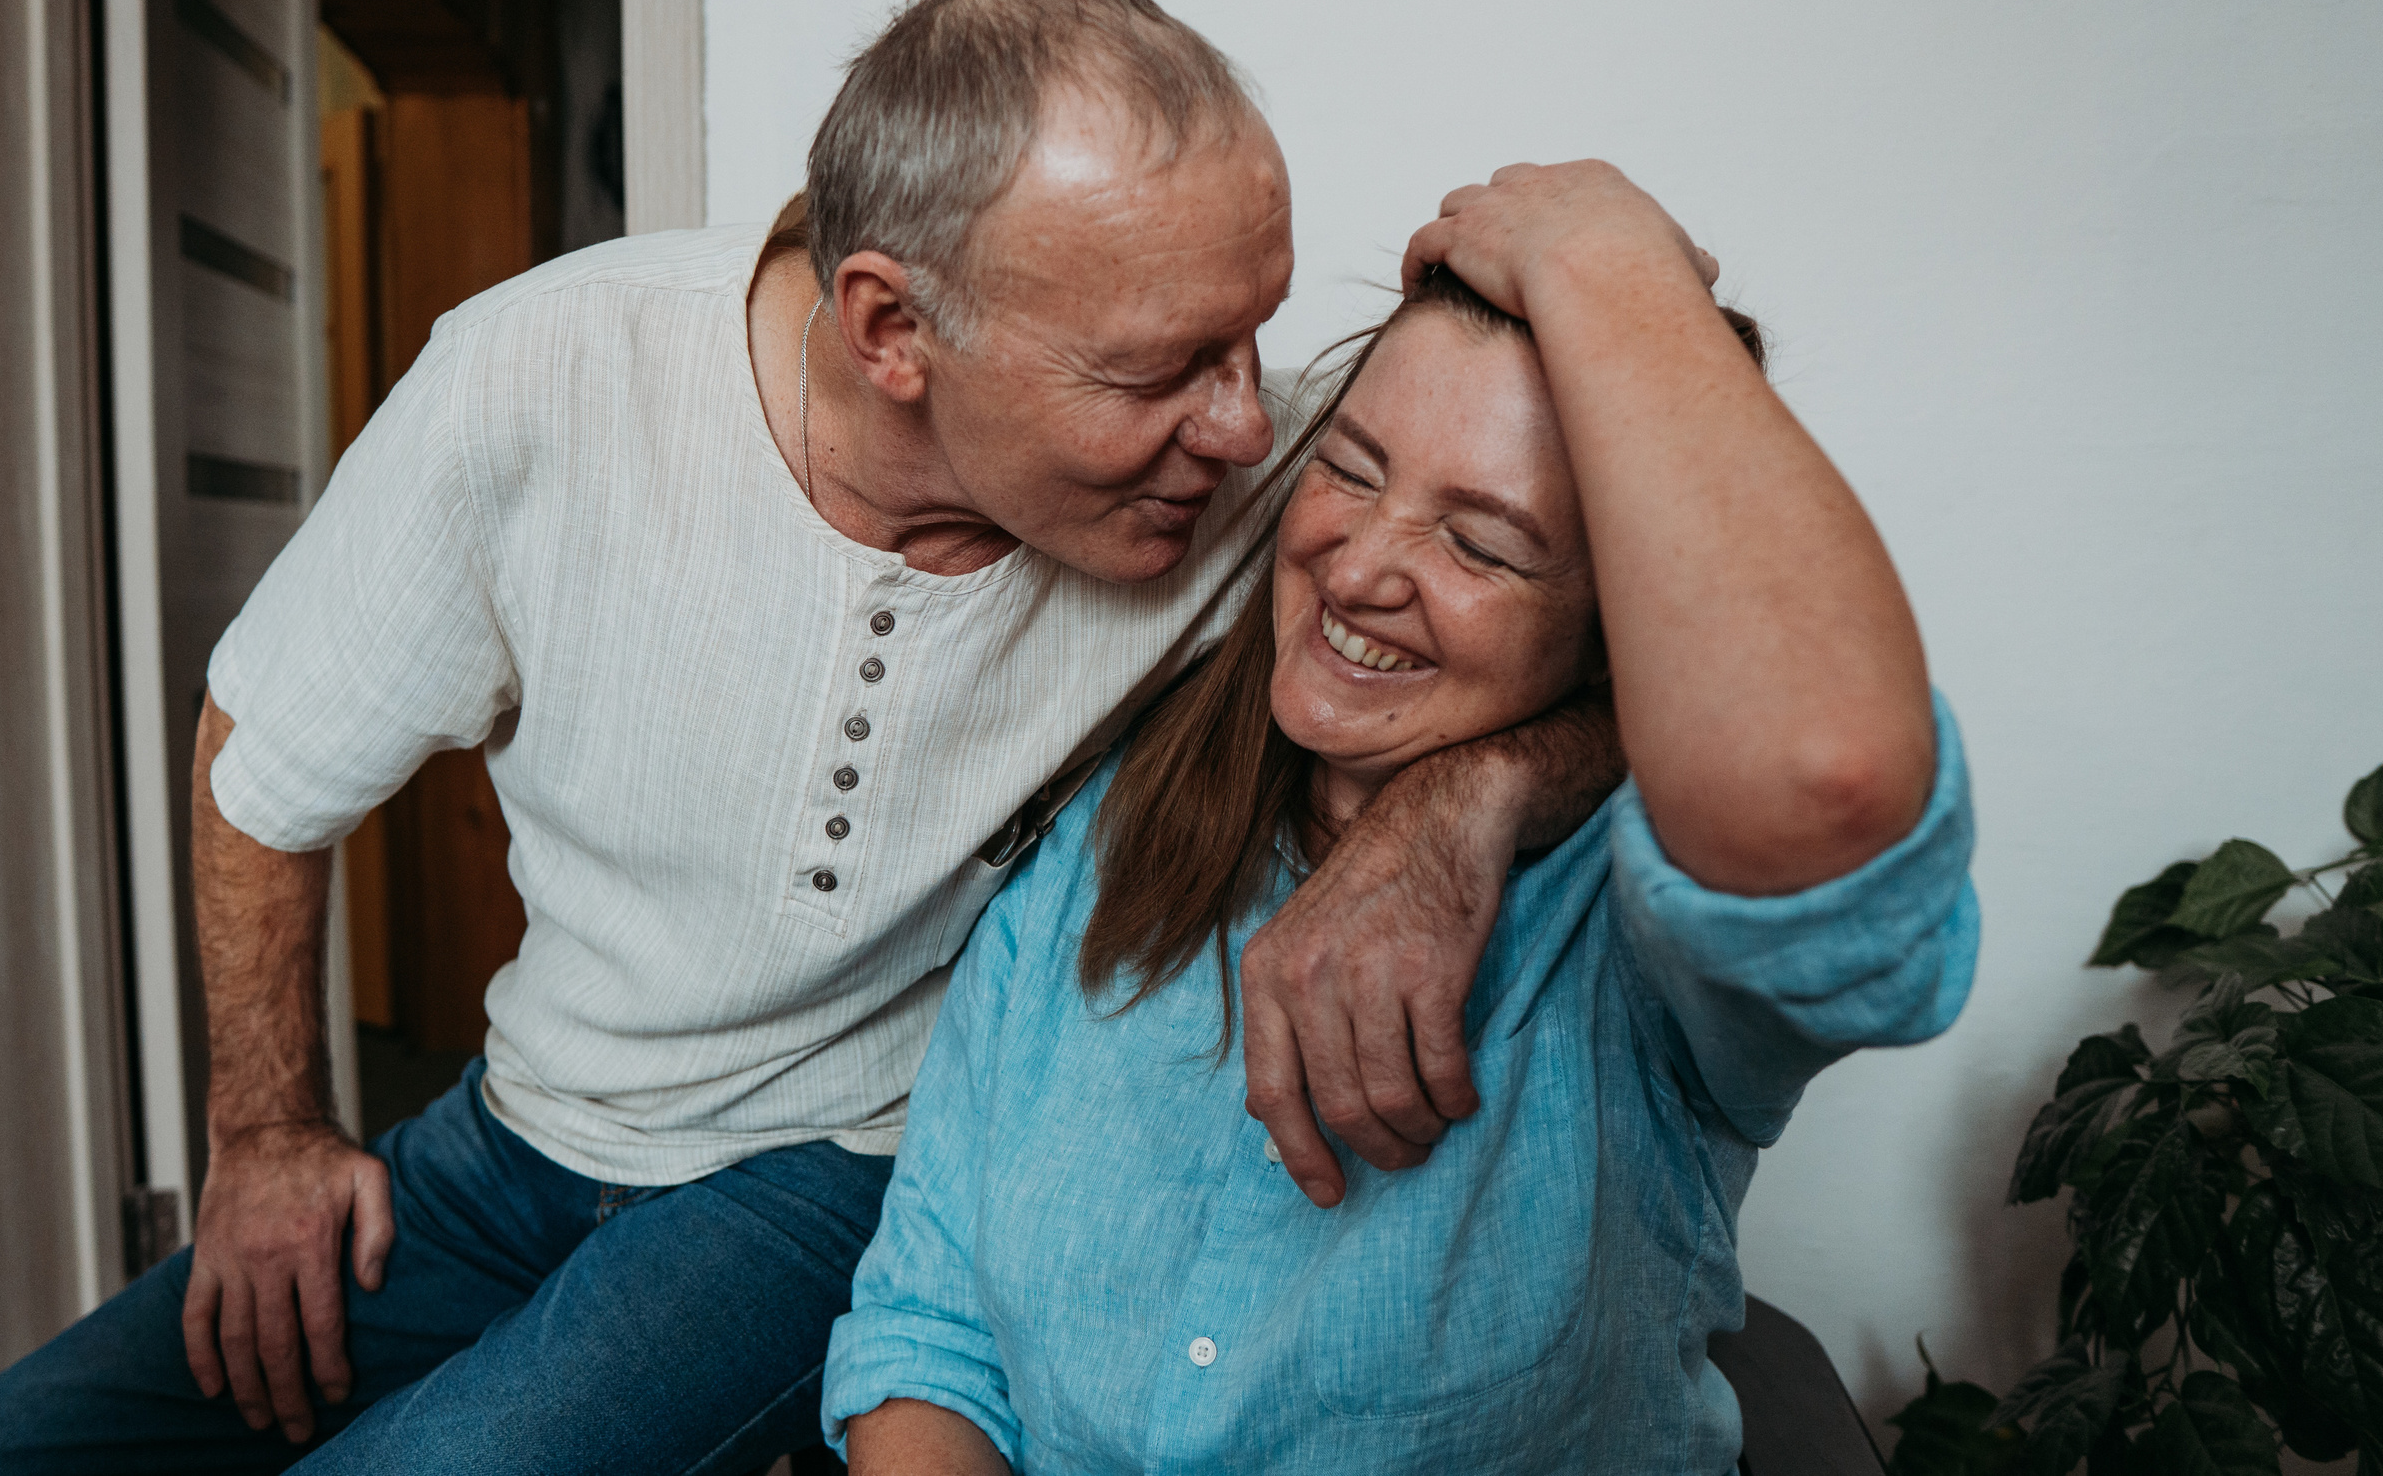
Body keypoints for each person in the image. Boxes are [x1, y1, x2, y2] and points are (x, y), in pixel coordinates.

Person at [0, 0, 1634, 1474]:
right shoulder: (543, 380)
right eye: (1165, 368)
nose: (1249, 427)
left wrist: (1453, 807)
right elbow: (266, 755)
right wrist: (267, 1135)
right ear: (893, 329)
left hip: (825, 1175)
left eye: (1253, 337)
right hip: (513, 1132)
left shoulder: (1297, 478)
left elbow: (1654, 648)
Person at [824, 163, 1979, 1474]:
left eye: (1483, 546)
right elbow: (933, 1334)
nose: (1363, 568)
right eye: (1352, 473)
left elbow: (1821, 776)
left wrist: (1606, 252)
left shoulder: (1639, 956)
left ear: (1612, 638)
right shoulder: (1104, 834)